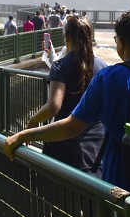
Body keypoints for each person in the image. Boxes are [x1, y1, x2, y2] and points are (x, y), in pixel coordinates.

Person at [5, 8, 130, 196]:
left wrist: (24, 135)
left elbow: (71, 126)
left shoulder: (108, 78)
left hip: (122, 188)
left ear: (121, 41)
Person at [24, 15, 107, 173]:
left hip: (64, 144)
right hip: (96, 147)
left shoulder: (61, 66)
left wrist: (33, 121)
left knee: (59, 194)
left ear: (66, 36)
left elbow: (54, 106)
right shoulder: (103, 67)